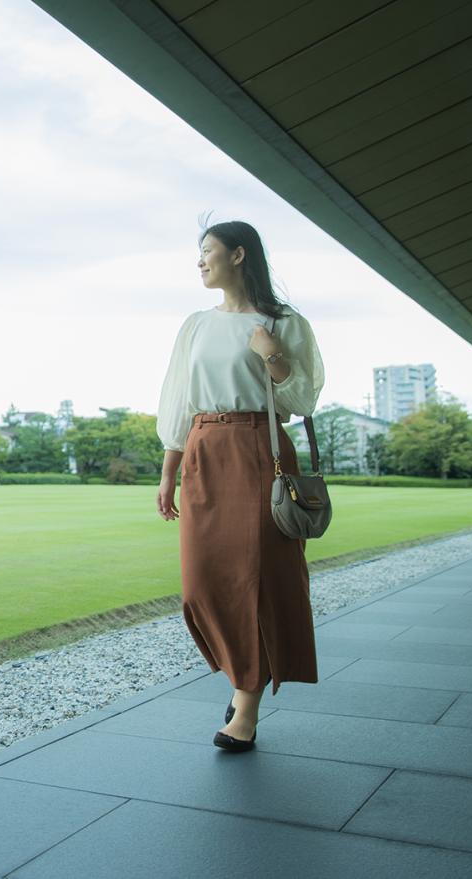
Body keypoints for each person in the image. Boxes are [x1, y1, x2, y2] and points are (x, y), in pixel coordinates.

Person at [154, 220, 324, 752]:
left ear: (239, 255)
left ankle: (245, 705)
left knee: (257, 580)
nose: (200, 262)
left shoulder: (282, 321)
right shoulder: (196, 324)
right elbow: (179, 399)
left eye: (208, 252)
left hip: (260, 451)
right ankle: (242, 674)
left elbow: (301, 400)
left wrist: (271, 352)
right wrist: (168, 471)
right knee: (201, 585)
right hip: (204, 448)